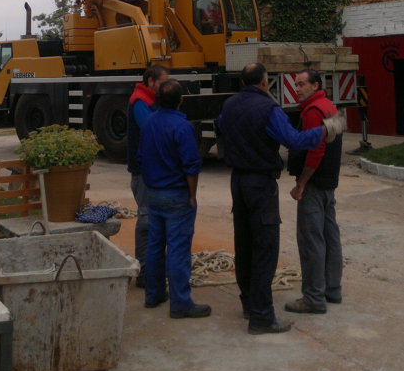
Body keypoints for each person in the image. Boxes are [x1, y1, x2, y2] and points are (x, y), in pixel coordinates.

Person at [218, 62, 344, 335]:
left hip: (238, 181)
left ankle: (250, 304)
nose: (297, 89)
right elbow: (295, 141)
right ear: (264, 83)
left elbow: (221, 130)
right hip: (260, 184)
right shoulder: (269, 110)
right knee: (265, 248)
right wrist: (324, 130)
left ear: (242, 83)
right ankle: (263, 317)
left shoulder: (228, 106)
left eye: (301, 84)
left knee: (245, 243)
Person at [138, 79, 211, 319]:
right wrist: (192, 195)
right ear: (181, 100)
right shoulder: (182, 126)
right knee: (178, 249)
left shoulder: (148, 122)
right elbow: (191, 165)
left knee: (155, 246)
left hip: (154, 194)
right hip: (177, 194)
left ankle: (153, 294)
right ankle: (181, 303)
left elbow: (142, 156)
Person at [285, 69, 343, 314]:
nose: (297, 89)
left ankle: (313, 298)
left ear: (315, 85)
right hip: (329, 183)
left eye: (302, 84)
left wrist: (301, 184)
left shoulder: (312, 112)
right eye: (296, 84)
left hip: (315, 184)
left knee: (311, 242)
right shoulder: (329, 106)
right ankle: (332, 289)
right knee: (330, 237)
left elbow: (316, 151)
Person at [127, 65, 169, 287]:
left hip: (150, 170)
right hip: (144, 171)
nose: (166, 86)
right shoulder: (140, 101)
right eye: (163, 82)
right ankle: (144, 271)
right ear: (151, 81)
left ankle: (151, 269)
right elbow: (151, 131)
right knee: (146, 220)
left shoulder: (148, 99)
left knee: (151, 219)